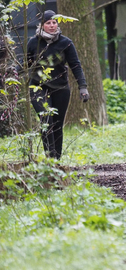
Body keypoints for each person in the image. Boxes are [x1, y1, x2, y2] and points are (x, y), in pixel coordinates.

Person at [25, 10, 90, 159]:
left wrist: (83, 87)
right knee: (46, 119)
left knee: (57, 124)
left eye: (54, 22)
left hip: (60, 88)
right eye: (48, 23)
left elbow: (75, 65)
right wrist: (12, 73)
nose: (52, 25)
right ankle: (49, 157)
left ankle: (56, 161)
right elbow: (24, 64)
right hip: (38, 86)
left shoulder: (65, 42)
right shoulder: (33, 42)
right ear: (41, 25)